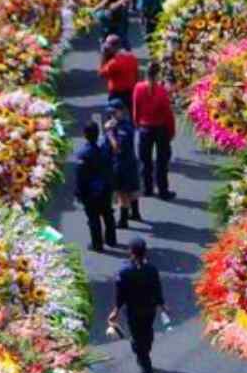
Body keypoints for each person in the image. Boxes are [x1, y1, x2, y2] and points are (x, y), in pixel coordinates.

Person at [107, 237, 168, 373]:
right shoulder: (152, 270)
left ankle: (146, 369)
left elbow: (120, 295)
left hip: (133, 311)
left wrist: (115, 310)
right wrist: (162, 304)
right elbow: (157, 289)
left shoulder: (124, 272)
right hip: (149, 309)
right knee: (147, 332)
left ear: (131, 252)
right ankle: (144, 349)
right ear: (145, 252)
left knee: (137, 338)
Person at [132, 61, 176, 200]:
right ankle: (163, 190)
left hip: (145, 128)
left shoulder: (138, 88)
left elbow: (136, 108)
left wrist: (138, 123)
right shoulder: (161, 91)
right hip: (160, 129)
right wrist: (171, 131)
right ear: (158, 75)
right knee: (162, 161)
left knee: (145, 160)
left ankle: (147, 188)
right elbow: (168, 114)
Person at [75, 121, 117, 252]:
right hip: (106, 187)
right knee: (107, 213)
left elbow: (80, 177)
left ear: (85, 135)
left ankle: (97, 244)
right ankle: (111, 239)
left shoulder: (83, 153)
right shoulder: (104, 148)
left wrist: (79, 193)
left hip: (91, 192)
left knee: (93, 218)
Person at [105, 97, 141, 227]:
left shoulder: (123, 128)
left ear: (121, 111)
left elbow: (117, 148)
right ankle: (135, 213)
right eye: (110, 113)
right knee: (132, 188)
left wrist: (109, 133)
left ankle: (123, 220)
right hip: (128, 162)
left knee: (122, 193)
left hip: (122, 164)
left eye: (114, 113)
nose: (112, 116)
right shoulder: (121, 124)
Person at [99, 35, 139, 112]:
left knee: (113, 115)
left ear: (113, 47)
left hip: (116, 93)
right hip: (131, 90)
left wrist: (103, 56)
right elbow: (136, 74)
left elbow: (101, 73)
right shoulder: (132, 57)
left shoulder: (113, 63)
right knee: (132, 113)